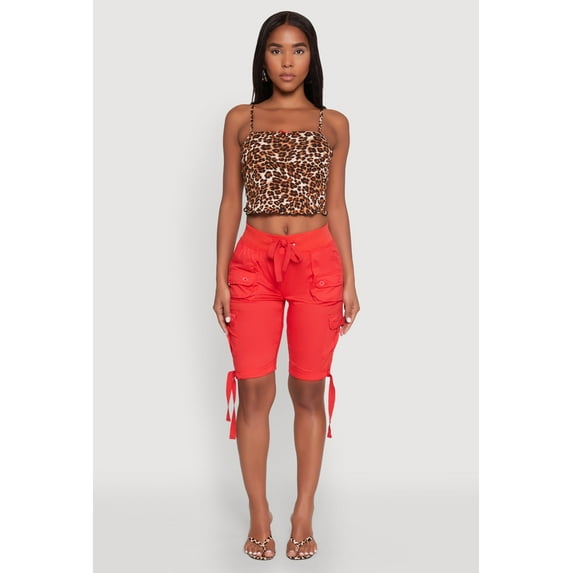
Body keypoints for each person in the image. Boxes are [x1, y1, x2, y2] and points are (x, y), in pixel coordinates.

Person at [213, 10, 360, 561]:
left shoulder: (333, 124)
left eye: (298, 50)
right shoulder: (241, 119)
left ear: (312, 57)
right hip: (253, 263)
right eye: (276, 50)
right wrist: (220, 276)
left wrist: (350, 278)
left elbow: (336, 204)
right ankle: (259, 514)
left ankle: (303, 512)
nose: (287, 61)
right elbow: (230, 200)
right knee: (255, 390)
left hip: (317, 263)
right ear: (262, 58)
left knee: (308, 389)